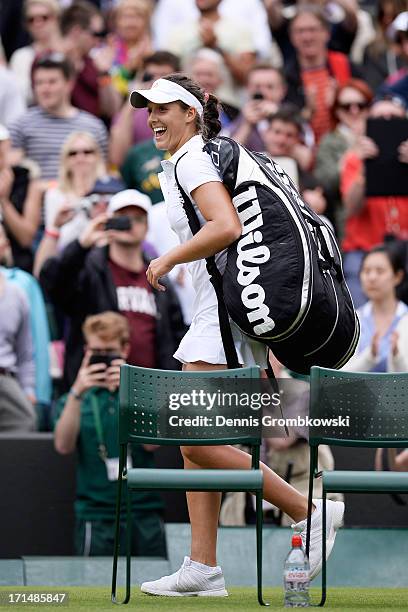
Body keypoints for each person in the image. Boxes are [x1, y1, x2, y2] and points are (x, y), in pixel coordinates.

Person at [128, 73, 344, 596]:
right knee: (196, 446)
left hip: (219, 317)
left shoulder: (193, 157)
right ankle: (203, 566)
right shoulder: (194, 155)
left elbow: (226, 227)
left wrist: (167, 258)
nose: (153, 117)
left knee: (193, 436)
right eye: (148, 108)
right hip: (221, 311)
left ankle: (309, 512)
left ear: (191, 114)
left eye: (164, 108)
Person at [39, 188, 186, 390]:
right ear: (109, 220)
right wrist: (82, 244)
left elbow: (175, 338)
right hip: (97, 389)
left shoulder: (159, 278)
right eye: (122, 218)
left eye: (137, 218)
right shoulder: (90, 269)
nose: (130, 224)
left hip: (149, 393)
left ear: (147, 226)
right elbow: (52, 283)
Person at [54, 311, 167, 556]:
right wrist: (77, 391)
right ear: (86, 351)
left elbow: (152, 444)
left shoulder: (140, 391)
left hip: (143, 511)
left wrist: (131, 389)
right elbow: (63, 446)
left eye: (110, 352)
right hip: (96, 515)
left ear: (125, 350)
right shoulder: (75, 399)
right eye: (97, 353)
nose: (103, 360)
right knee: (94, 588)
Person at [340, 97, 408, 307]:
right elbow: (352, 207)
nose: (387, 122)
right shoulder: (353, 159)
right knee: (357, 305)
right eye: (380, 118)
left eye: (394, 118)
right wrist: (365, 168)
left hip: (406, 248)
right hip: (365, 250)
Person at [33, 131, 123, 277]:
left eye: (87, 152)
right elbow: (54, 240)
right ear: (65, 159)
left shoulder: (111, 189)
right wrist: (57, 225)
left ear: (98, 157)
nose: (80, 158)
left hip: (105, 267)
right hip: (68, 265)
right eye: (73, 153)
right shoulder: (56, 194)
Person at [7, 53, 108, 181]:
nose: (45, 89)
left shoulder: (94, 126)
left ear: (69, 84)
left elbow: (101, 172)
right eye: (39, 83)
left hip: (83, 197)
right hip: (38, 198)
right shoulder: (20, 125)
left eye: (52, 82)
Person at [284, 5, 355, 145]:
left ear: (327, 33)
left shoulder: (345, 64)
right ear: (292, 37)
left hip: (346, 144)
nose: (307, 37)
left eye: (312, 29)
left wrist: (338, 103)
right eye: (300, 31)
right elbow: (284, 124)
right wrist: (308, 110)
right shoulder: (286, 75)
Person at [314, 78, 374, 236]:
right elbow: (326, 183)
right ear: (337, 111)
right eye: (347, 107)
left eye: (361, 105)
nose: (354, 111)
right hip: (349, 220)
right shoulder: (329, 141)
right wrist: (351, 157)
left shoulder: (383, 134)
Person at [342, 245, 408, 373]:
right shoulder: (353, 320)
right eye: (366, 271)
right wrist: (369, 357)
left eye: (380, 271)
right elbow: (340, 376)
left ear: (398, 276)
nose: (372, 278)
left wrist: (397, 358)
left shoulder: (405, 320)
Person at [109, 51, 180, 168]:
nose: (155, 82)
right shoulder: (131, 111)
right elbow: (117, 158)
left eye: (164, 77)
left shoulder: (189, 108)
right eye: (150, 76)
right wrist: (130, 105)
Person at [0, 224, 37, 432]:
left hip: (5, 378)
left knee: (26, 420)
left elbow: (25, 352)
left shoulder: (17, 293)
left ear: (5, 244)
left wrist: (28, 389)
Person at [59, 0, 122, 119]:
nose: (99, 41)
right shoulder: (50, 60)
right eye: (96, 34)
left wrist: (104, 73)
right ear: (77, 31)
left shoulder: (92, 62)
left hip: (93, 130)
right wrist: (71, 69)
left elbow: (112, 109)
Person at [0, 124, 43, 273]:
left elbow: (26, 238)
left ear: (7, 145)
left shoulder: (26, 178)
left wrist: (4, 201)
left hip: (18, 270)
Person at [9, 0, 63, 104]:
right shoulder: (20, 57)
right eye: (31, 20)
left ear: (56, 19)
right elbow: (20, 96)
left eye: (44, 17)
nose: (37, 23)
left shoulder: (68, 52)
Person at [228, 64, 288, 151]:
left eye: (270, 87)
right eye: (257, 87)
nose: (263, 92)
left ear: (282, 90)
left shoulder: (293, 116)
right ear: (247, 89)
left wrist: (279, 116)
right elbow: (227, 153)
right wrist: (247, 124)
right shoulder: (240, 117)